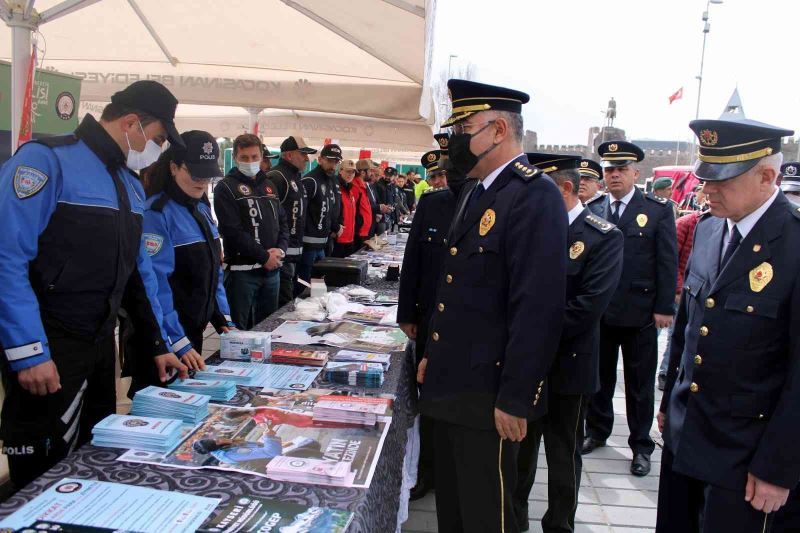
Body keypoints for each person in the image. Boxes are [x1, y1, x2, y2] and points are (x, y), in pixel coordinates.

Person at [0, 80, 189, 489]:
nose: (155, 148)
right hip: (51, 348)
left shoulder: (128, 182)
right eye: (156, 138)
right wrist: (28, 351)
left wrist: (157, 344)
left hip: (102, 345)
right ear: (131, 123)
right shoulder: (46, 160)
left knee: (95, 466)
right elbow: (6, 258)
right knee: (41, 479)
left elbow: (140, 275)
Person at [417, 79, 567, 533]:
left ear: (498, 130)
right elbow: (455, 287)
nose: (457, 140)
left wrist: (516, 397)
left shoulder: (533, 195)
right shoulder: (477, 191)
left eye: (465, 128)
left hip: (490, 396)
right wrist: (431, 354)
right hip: (451, 386)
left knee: (489, 516)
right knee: (455, 515)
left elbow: (537, 308)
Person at [656, 117, 800, 533]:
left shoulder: (792, 245)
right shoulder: (707, 229)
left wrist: (778, 467)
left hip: (746, 455)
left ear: (767, 176)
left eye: (723, 181)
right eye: (705, 178)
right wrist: (669, 401)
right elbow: (688, 325)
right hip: (686, 437)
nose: (707, 190)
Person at [514, 153, 623, 533]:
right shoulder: (530, 230)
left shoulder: (602, 237)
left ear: (564, 188)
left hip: (568, 365)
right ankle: (514, 522)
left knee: (563, 455)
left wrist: (527, 329)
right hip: (525, 364)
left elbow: (587, 307)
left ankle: (559, 526)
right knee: (519, 452)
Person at [582, 140, 677, 478]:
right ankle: (597, 430)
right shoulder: (593, 208)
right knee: (599, 377)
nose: (614, 175)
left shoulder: (657, 209)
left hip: (640, 312)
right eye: (609, 169)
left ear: (636, 172)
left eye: (621, 169)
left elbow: (667, 261)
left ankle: (641, 445)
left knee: (639, 385)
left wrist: (665, 306)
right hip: (601, 312)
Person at [130, 131, 237, 393]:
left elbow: (214, 271)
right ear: (174, 167)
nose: (202, 182)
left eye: (207, 174)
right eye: (195, 173)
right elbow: (155, 285)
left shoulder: (201, 209)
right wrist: (176, 339)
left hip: (193, 332)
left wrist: (223, 317)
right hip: (165, 337)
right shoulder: (157, 214)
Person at [398, 141, 467, 502]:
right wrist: (406, 313)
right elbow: (414, 261)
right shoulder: (433, 203)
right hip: (430, 319)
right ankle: (428, 472)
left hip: (470, 326)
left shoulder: (492, 205)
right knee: (429, 402)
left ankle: (456, 470)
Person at [213, 134, 288, 330]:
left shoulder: (269, 185)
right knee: (238, 335)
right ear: (236, 158)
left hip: (272, 272)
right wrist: (264, 256)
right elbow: (231, 231)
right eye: (244, 158)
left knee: (268, 329)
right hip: (242, 275)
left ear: (262, 156)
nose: (250, 162)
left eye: (254, 157)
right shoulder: (226, 187)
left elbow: (283, 222)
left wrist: (281, 250)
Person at [657, 183, 707, 390]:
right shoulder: (687, 223)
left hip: (698, 294)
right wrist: (677, 289)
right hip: (678, 291)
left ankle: (670, 371)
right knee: (668, 334)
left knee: (682, 336)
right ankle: (665, 372)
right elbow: (670, 260)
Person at [266, 136, 315, 305]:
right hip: (282, 256)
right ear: (288, 155)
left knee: (291, 300)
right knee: (283, 305)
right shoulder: (277, 177)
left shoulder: (295, 178)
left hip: (294, 255)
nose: (307, 159)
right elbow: (270, 219)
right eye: (303, 154)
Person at [299, 144, 343, 282]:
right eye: (329, 160)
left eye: (336, 162)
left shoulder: (331, 181)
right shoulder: (310, 180)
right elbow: (301, 213)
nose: (333, 165)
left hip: (323, 244)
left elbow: (329, 210)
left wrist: (335, 227)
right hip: (308, 246)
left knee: (319, 286)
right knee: (304, 287)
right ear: (320, 159)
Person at [332, 160, 369, 257]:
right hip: (338, 239)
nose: (351, 174)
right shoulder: (335, 188)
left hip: (350, 238)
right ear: (340, 171)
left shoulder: (351, 190)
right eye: (348, 171)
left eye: (353, 172)